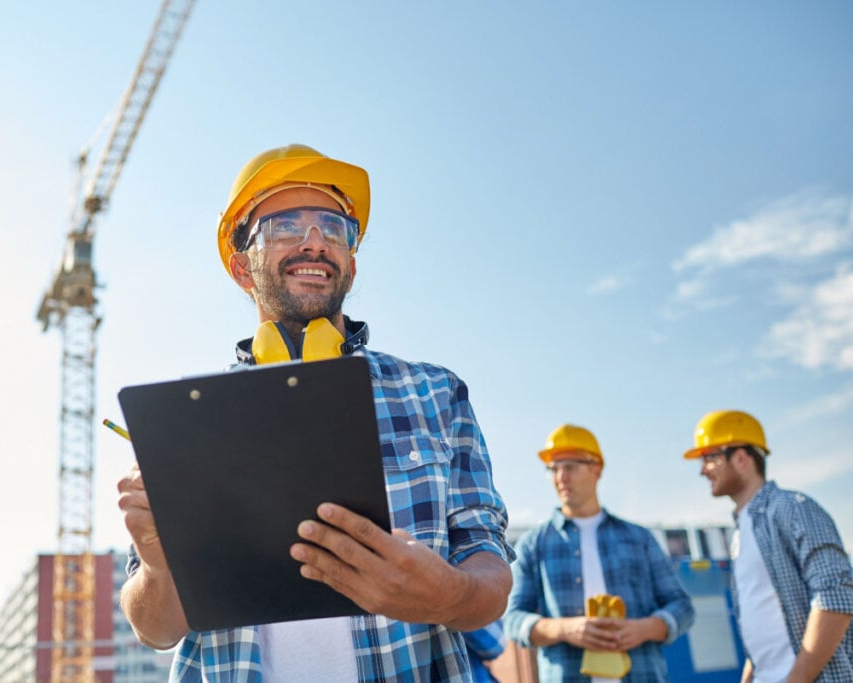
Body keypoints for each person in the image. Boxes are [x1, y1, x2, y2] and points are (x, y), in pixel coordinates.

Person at [117, 143, 515, 681]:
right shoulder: (190, 423)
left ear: (351, 261)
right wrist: (162, 568)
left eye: (334, 228)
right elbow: (155, 629)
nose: (315, 242)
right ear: (241, 266)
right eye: (285, 226)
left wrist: (451, 595)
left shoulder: (436, 393)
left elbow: (488, 575)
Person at [505, 424, 694, 682]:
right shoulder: (533, 544)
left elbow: (682, 607)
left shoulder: (639, 538)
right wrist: (564, 629)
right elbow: (513, 619)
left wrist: (645, 628)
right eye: (553, 468)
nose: (560, 477)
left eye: (570, 466)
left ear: (597, 469)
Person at [684, 409, 853, 682]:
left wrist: (796, 679)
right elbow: (764, 629)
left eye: (710, 457)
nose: (703, 470)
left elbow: (835, 597)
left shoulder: (792, 508)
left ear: (740, 457)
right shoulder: (740, 535)